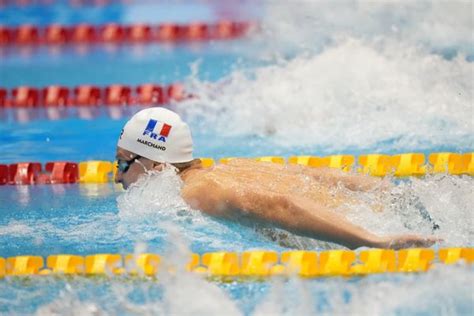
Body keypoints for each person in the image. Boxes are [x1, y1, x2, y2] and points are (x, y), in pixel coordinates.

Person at [115, 107, 438, 250]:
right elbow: (317, 175)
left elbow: (281, 207)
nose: (117, 177)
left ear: (155, 163)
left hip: (372, 230)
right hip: (390, 211)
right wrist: (395, 193)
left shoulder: (198, 193)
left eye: (123, 163)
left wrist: (373, 241)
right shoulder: (234, 166)